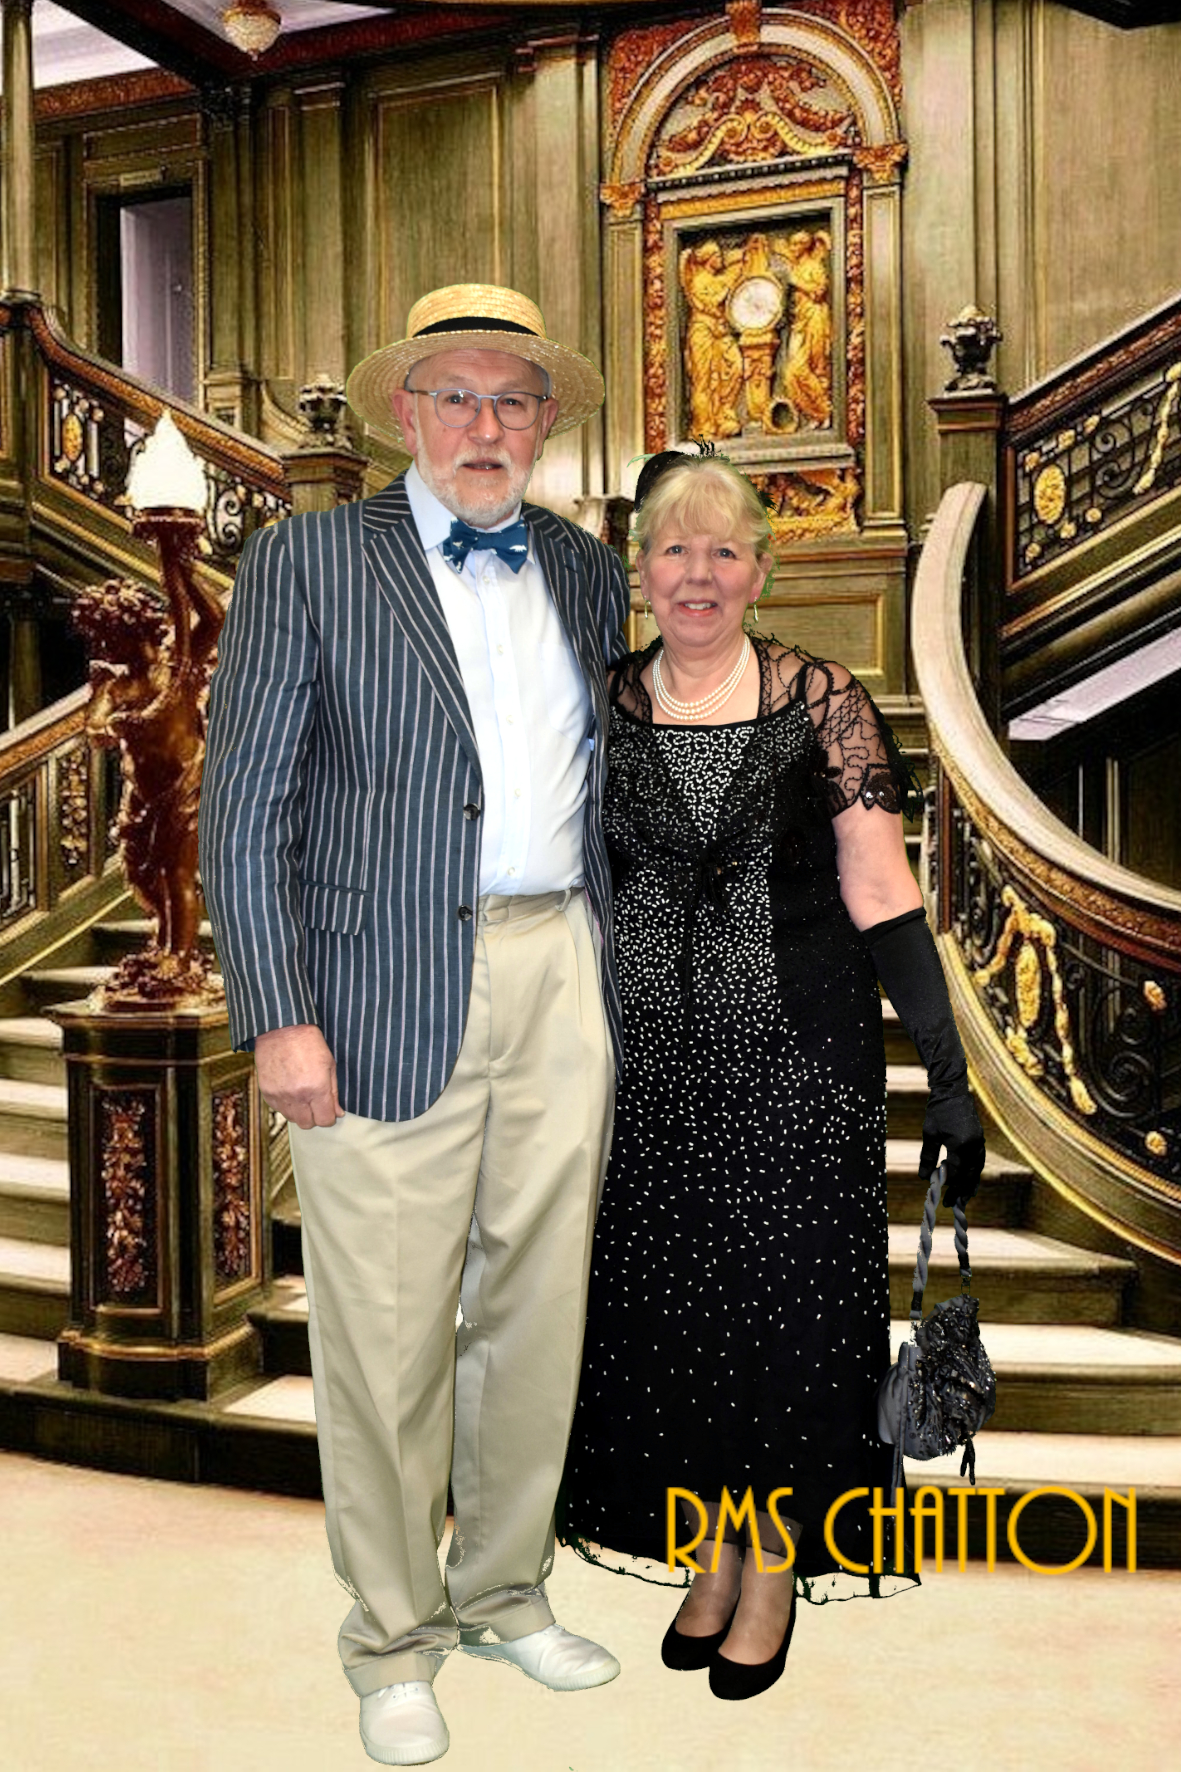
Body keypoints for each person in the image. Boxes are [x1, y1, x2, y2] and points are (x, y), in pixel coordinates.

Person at [198, 284, 630, 1766]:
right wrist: (278, 1014)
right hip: (373, 985)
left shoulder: (585, 570)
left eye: (511, 400)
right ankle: (392, 1636)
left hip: (557, 968)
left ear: (547, 421)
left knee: (537, 1310)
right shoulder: (307, 561)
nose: (483, 426)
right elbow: (243, 806)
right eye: (457, 396)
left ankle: (505, 1591)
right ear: (406, 413)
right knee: (383, 1330)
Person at [558, 446, 985, 1700]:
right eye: (672, 550)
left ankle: (773, 1564)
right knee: (675, 1326)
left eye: (723, 551)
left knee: (786, 1328)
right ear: (639, 571)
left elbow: (881, 890)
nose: (696, 574)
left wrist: (948, 1073)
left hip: (800, 1068)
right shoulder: (601, 703)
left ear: (758, 570)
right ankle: (709, 1551)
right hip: (651, 1077)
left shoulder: (821, 699)